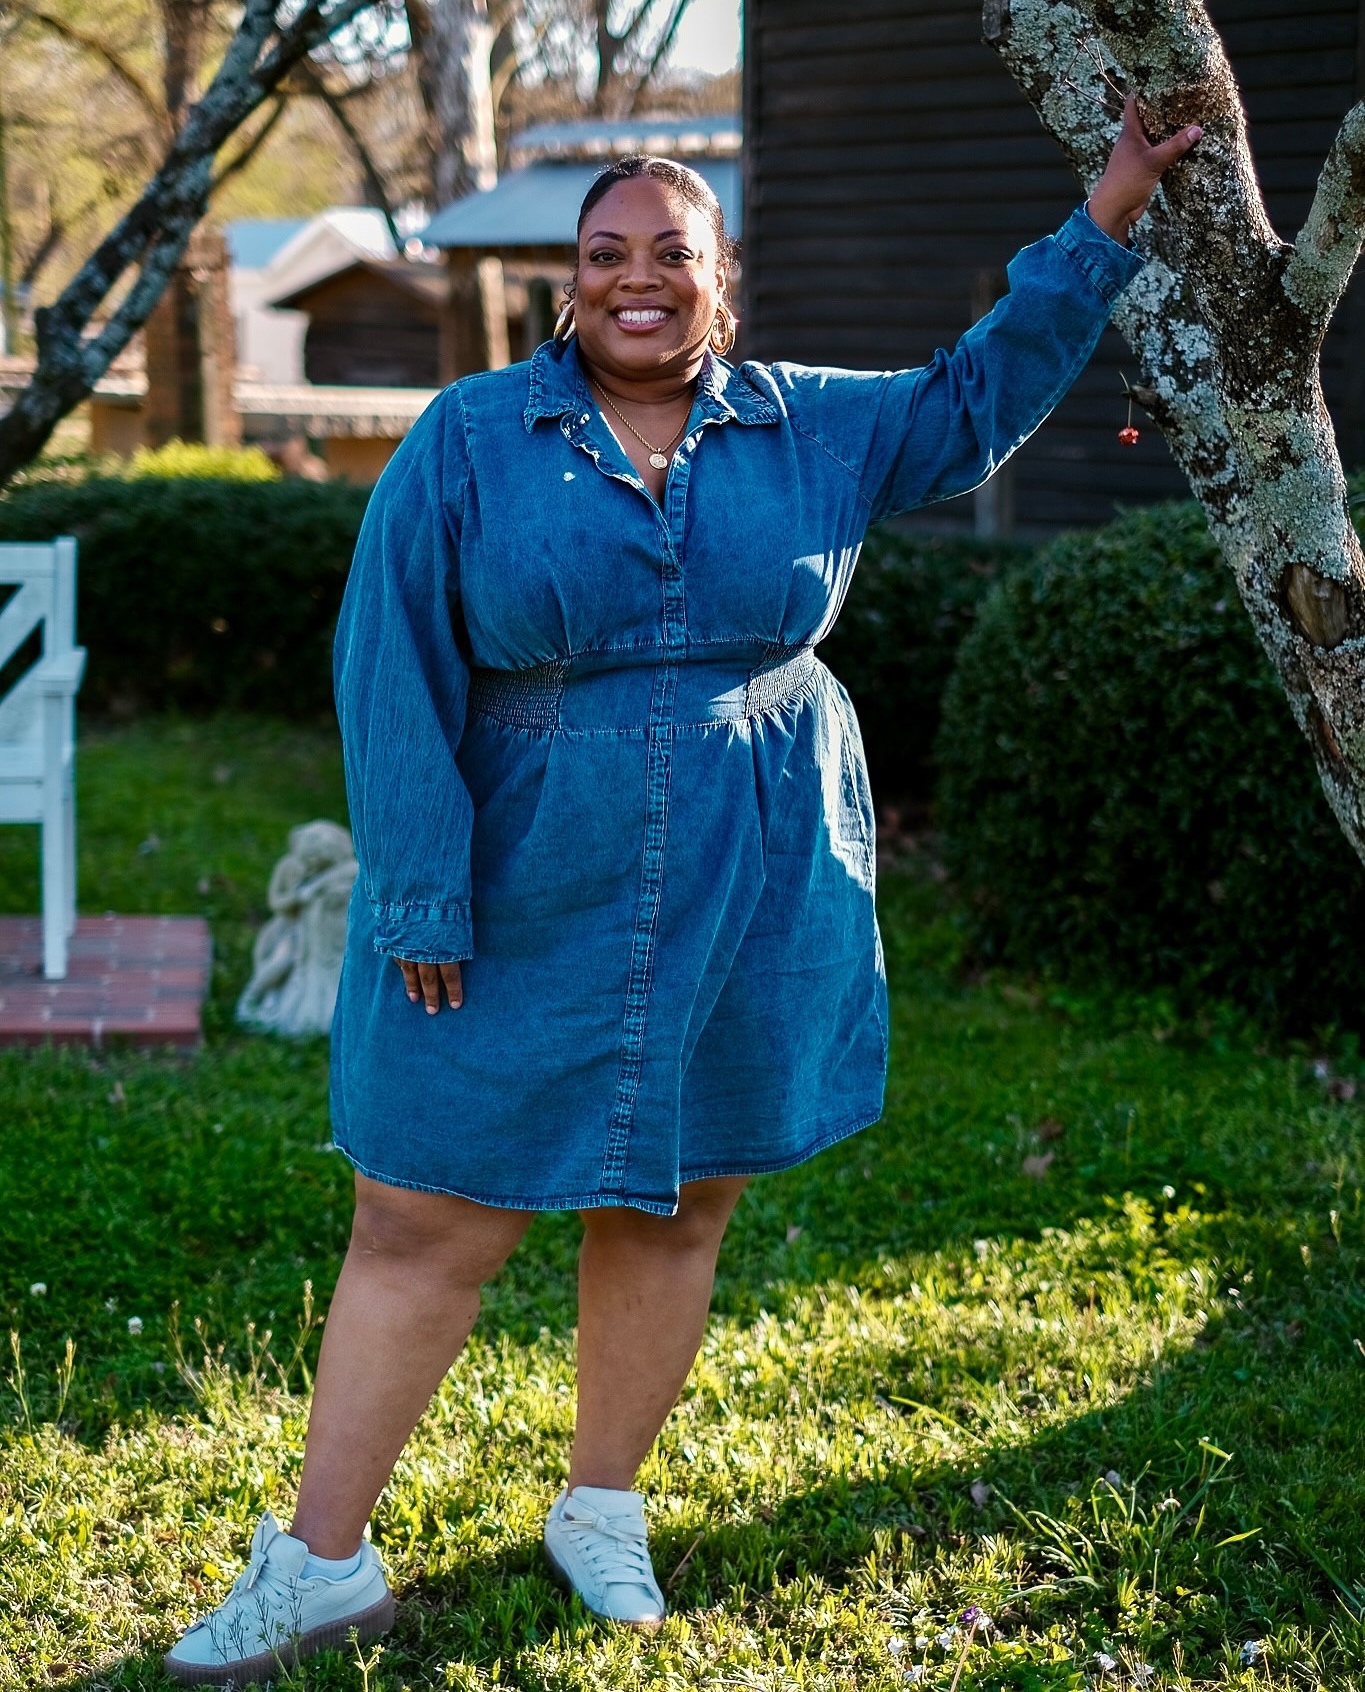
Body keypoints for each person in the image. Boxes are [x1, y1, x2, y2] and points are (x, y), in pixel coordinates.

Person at [164, 96, 1202, 1685]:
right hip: (523, 866)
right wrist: (423, 894)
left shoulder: (812, 425)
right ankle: (318, 1560)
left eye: (671, 252)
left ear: (720, 278)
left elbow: (981, 392)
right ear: (567, 281)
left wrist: (1111, 204)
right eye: (604, 254)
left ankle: (600, 1502)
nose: (635, 278)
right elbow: (391, 672)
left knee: (675, 1191)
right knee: (423, 1208)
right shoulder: (467, 440)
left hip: (753, 854)